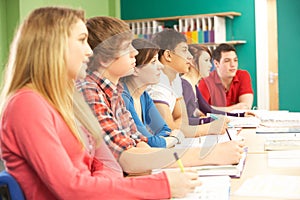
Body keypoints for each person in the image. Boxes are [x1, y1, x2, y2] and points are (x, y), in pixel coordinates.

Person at [0, 7, 201, 199]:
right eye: (81, 41)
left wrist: (96, 185)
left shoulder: (65, 101)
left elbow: (108, 164)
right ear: (53, 46)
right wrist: (163, 185)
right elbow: (72, 189)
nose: (89, 51)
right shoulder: (27, 105)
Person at [77, 16, 245, 174]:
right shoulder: (90, 90)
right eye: (126, 47)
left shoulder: (115, 91)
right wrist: (207, 155)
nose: (135, 52)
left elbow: (139, 143)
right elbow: (127, 158)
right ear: (104, 58)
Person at [147, 29, 228, 137]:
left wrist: (178, 126)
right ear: (168, 55)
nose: (190, 56)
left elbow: (183, 123)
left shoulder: (174, 82)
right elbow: (168, 130)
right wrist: (210, 127)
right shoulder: (156, 87)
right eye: (184, 50)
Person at [121, 38, 185, 148]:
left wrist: (160, 140)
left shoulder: (144, 96)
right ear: (135, 68)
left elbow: (165, 130)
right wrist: (173, 139)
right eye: (153, 62)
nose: (161, 66)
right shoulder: (123, 98)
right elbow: (147, 140)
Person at [181, 44, 254, 125]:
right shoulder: (185, 86)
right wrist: (210, 121)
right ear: (192, 62)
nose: (210, 65)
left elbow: (208, 110)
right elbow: (181, 122)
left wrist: (239, 115)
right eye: (206, 60)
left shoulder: (193, 85)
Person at [198, 43, 254, 112]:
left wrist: (214, 109)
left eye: (235, 60)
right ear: (216, 64)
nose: (233, 65)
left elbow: (245, 107)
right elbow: (201, 109)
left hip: (239, 121)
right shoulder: (206, 81)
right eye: (227, 61)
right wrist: (230, 109)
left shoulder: (243, 75)